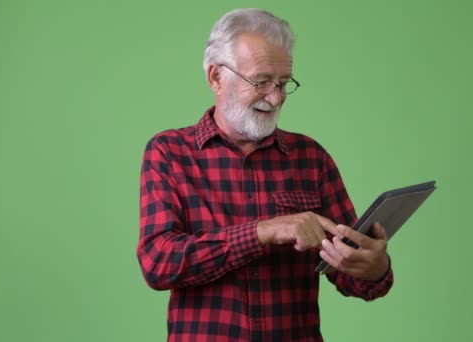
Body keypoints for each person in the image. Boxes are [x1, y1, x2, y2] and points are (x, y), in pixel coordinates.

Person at [137, 8, 393, 341]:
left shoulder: (311, 158)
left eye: (283, 83)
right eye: (261, 82)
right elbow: (159, 264)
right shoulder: (169, 153)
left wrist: (375, 268)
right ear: (216, 77)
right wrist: (261, 233)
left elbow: (351, 276)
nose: (276, 98)